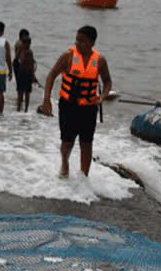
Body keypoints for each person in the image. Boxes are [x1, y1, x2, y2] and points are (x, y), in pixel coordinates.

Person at [41, 25, 111, 177]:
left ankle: (84, 177)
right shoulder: (68, 56)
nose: (78, 44)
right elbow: (51, 76)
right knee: (67, 142)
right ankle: (65, 164)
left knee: (86, 143)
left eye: (83, 41)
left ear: (92, 43)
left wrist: (102, 97)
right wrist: (47, 99)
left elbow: (107, 81)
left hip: (89, 108)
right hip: (68, 106)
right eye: (77, 40)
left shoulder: (100, 61)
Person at [13, 29, 38, 112]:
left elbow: (30, 65)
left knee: (25, 92)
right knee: (22, 91)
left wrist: (33, 76)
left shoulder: (28, 52)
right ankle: (21, 109)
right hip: (23, 73)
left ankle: (24, 109)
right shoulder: (21, 48)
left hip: (26, 73)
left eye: (25, 43)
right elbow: (18, 59)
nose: (23, 44)